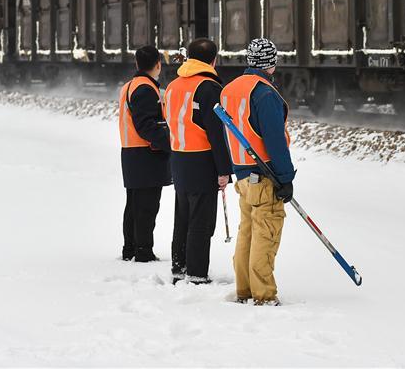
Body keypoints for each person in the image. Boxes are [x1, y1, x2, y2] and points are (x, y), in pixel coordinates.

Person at [219, 38, 295, 306]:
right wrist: (285, 178)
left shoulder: (229, 90)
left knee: (248, 232)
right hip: (265, 176)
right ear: (271, 63)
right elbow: (275, 142)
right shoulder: (264, 93)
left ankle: (244, 289)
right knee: (266, 233)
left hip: (242, 175)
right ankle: (263, 295)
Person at [164, 38, 232, 284]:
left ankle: (179, 267)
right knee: (201, 222)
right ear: (214, 60)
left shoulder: (172, 86)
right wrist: (224, 170)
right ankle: (196, 273)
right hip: (203, 160)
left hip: (179, 159)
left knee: (182, 218)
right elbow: (217, 133)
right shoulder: (209, 88)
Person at [118, 45, 171, 262]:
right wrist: (171, 144)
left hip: (132, 152)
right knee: (146, 207)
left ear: (137, 64)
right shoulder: (145, 89)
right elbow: (147, 125)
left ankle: (130, 248)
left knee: (134, 205)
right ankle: (143, 251)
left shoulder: (129, 87)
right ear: (158, 64)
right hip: (146, 155)